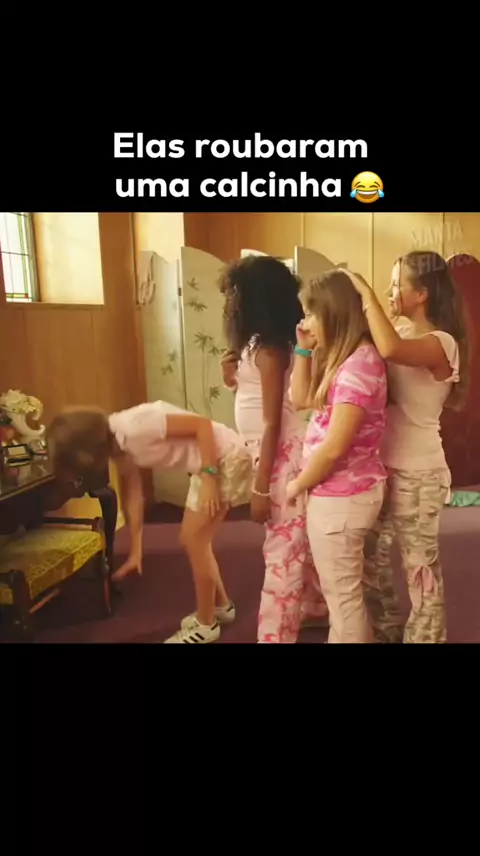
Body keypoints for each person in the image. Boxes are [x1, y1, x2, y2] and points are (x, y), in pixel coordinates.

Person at [46, 400, 253, 644]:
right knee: (191, 539)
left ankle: (206, 624)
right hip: (208, 465)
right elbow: (134, 494)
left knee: (196, 541)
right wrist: (136, 549)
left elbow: (202, 426)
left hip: (224, 461)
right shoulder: (118, 445)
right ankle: (221, 607)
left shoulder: (135, 428)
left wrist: (209, 478)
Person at [345, 252, 470, 643]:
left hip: (420, 472)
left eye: (397, 283)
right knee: (370, 558)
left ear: (422, 294)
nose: (390, 290)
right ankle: (386, 630)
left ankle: (426, 638)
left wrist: (365, 291)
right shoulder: (396, 327)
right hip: (379, 468)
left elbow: (392, 349)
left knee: (418, 567)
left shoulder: (442, 343)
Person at [220, 254, 328, 643]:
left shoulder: (271, 350)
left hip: (283, 457)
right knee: (297, 540)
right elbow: (254, 399)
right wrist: (233, 376)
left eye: (235, 295)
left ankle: (274, 635)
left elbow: (272, 422)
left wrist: (261, 488)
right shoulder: (257, 345)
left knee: (283, 549)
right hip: (272, 454)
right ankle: (316, 608)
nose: (229, 303)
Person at [287, 269, 388, 643]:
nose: (306, 322)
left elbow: (334, 447)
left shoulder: (360, 364)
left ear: (333, 312)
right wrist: (303, 348)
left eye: (312, 314)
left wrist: (297, 485)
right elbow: (300, 399)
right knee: (343, 597)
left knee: (344, 602)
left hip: (342, 498)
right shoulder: (345, 358)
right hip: (340, 494)